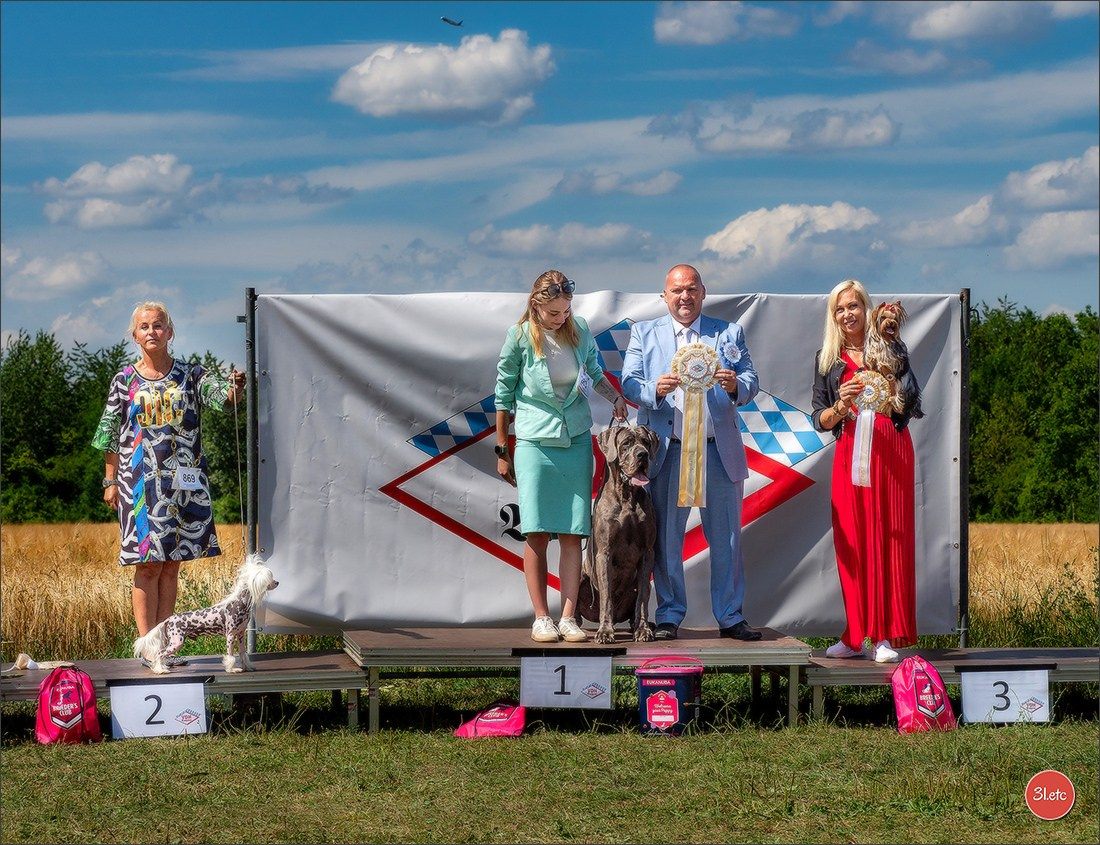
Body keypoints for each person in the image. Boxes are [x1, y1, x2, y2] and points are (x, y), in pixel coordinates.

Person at [92, 301, 245, 658]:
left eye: (158, 325)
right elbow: (109, 433)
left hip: (182, 483)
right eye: (144, 326)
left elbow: (223, 399)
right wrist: (109, 481)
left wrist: (235, 387)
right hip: (139, 485)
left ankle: (166, 645)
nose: (152, 332)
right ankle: (147, 647)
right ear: (135, 335)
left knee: (172, 563)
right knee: (147, 564)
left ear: (170, 332)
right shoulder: (124, 381)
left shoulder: (191, 374)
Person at [620, 264, 761, 641]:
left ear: (703, 292)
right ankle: (668, 616)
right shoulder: (643, 333)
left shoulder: (728, 333)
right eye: (677, 290)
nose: (685, 296)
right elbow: (629, 383)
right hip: (668, 452)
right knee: (665, 541)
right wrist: (655, 390)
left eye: (692, 289)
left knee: (727, 539)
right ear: (664, 296)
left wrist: (735, 386)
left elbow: (751, 381)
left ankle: (730, 616)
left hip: (719, 453)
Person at [495, 270, 628, 643]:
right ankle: (541, 617)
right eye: (554, 313)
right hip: (534, 442)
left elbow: (595, 373)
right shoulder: (519, 337)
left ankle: (568, 617)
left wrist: (614, 398)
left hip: (577, 440)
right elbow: (503, 394)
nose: (561, 318)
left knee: (573, 533)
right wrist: (503, 449)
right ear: (536, 306)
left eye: (566, 311)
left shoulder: (581, 329)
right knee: (536, 531)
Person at [810, 279, 924, 663]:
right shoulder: (828, 360)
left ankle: (885, 637)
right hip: (850, 454)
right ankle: (855, 633)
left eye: (853, 306)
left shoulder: (893, 349)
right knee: (854, 546)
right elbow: (819, 419)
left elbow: (911, 404)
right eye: (839, 309)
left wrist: (893, 389)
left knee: (890, 539)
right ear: (834, 316)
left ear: (867, 309)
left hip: (891, 451)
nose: (847, 314)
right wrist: (841, 407)